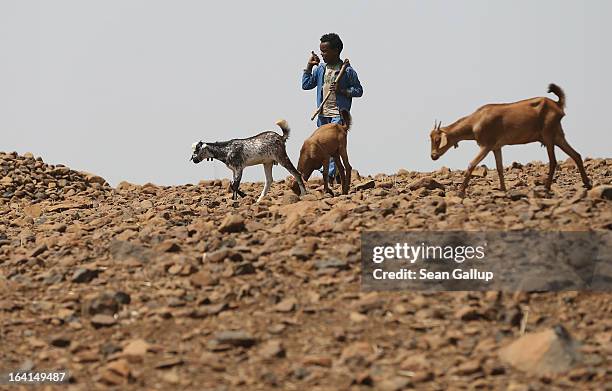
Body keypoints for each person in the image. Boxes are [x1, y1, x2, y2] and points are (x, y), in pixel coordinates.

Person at [302, 33, 363, 184]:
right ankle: (333, 175)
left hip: (338, 116)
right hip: (323, 114)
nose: (322, 54)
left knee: (330, 146)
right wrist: (309, 66)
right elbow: (306, 84)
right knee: (323, 148)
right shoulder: (321, 69)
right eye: (321, 51)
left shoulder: (347, 71)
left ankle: (328, 177)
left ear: (336, 51)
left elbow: (359, 90)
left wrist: (343, 91)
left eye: (325, 51)